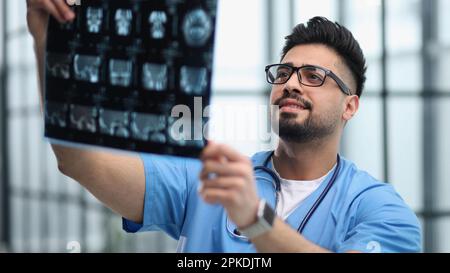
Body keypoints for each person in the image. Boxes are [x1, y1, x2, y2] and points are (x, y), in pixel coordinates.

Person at [26, 0, 421, 253]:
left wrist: (254, 218)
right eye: (284, 72)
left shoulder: (380, 210)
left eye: (314, 75)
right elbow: (78, 161)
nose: (292, 83)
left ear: (350, 105)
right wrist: (46, 41)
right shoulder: (210, 179)